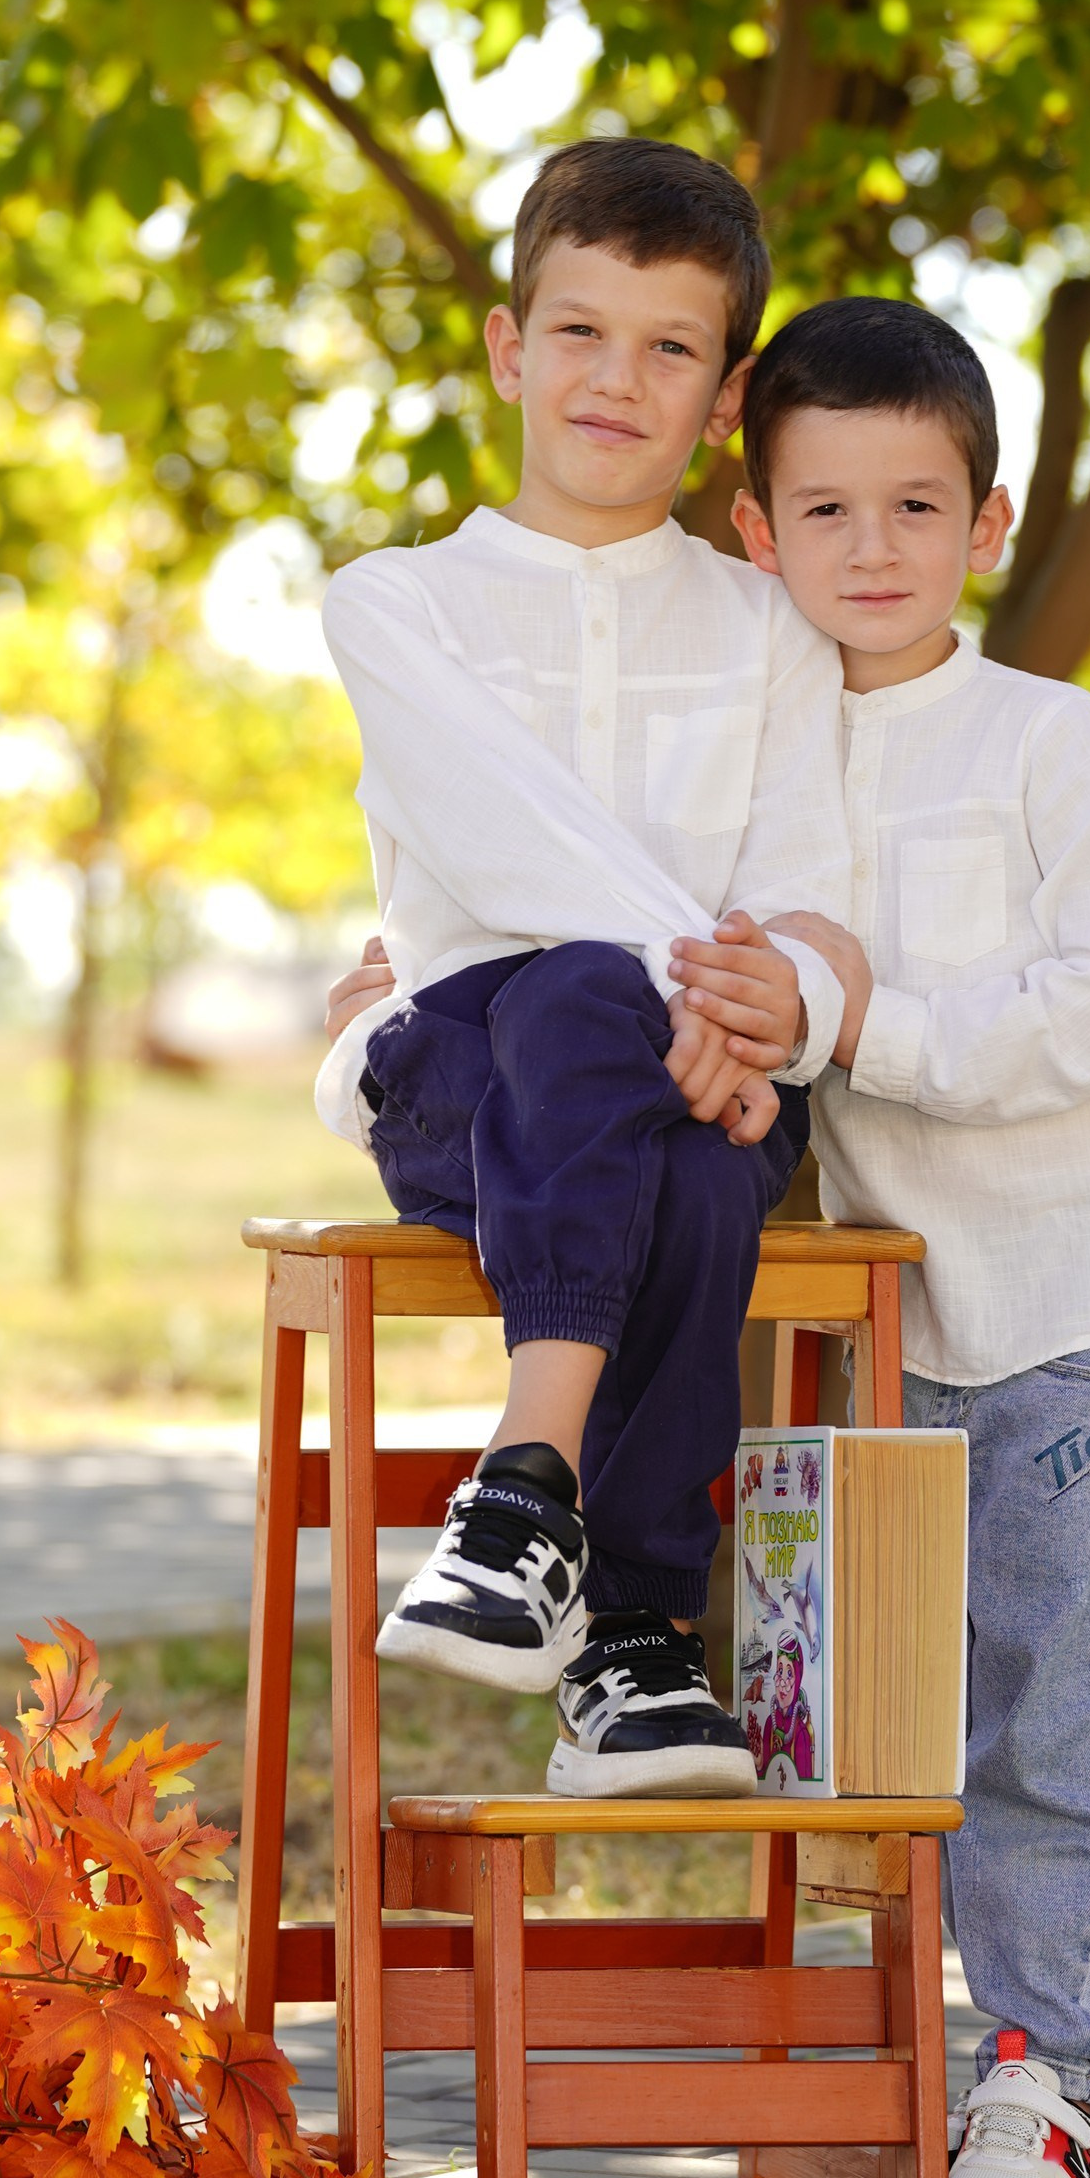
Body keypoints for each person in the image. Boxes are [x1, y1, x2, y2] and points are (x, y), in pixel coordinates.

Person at [724, 295, 1090, 2178]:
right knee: (870, 1715)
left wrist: (866, 1023)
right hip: (882, 1328)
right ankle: (1023, 2058)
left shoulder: (1043, 739)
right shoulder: (752, 766)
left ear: (987, 524)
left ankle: (1066, 2069)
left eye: (913, 505)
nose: (869, 548)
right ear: (753, 534)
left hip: (1085, 1307)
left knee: (1071, 1699)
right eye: (824, 509)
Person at [315, 138, 849, 1799]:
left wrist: (777, 1015)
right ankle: (618, 1607)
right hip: (467, 1077)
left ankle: (550, 1557)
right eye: (580, 331)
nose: (619, 379)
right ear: (505, 345)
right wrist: (704, 992)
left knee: (694, 1163)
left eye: (670, 347)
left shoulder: (772, 627)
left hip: (711, 1088)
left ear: (725, 390)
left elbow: (807, 872)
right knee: (572, 992)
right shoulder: (394, 605)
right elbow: (503, 847)